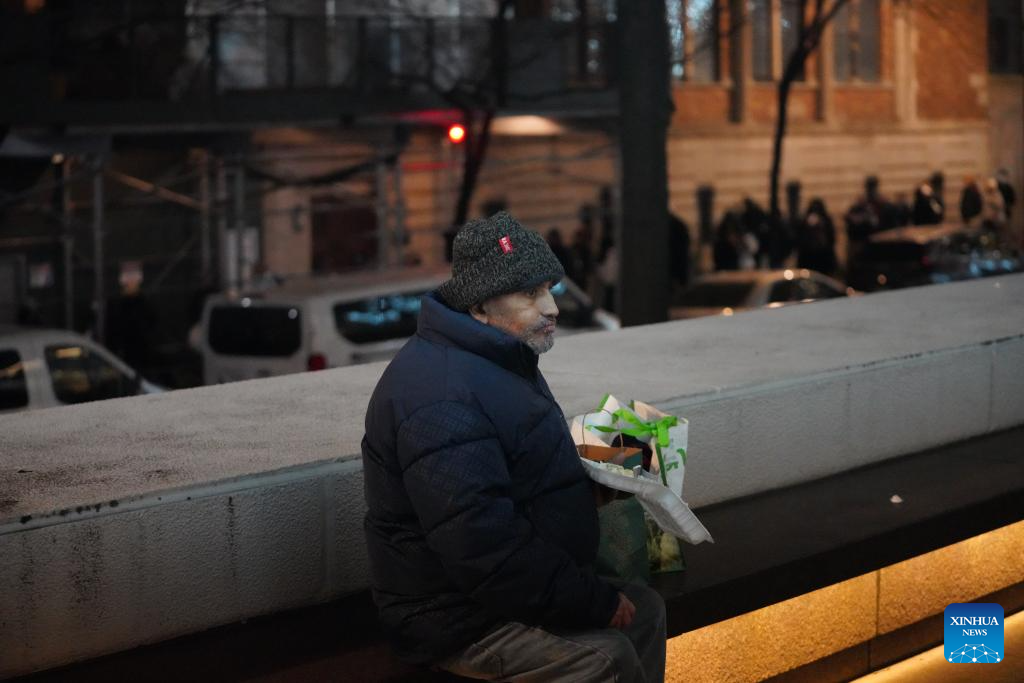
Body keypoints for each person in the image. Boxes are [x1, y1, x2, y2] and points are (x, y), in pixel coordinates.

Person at [362, 211, 667, 682]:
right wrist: (592, 600)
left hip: (500, 592)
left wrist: (598, 478)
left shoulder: (496, 358)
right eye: (530, 294)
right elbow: (480, 546)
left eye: (550, 289)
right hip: (457, 617)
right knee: (605, 657)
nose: (552, 308)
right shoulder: (441, 394)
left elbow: (516, 482)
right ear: (480, 307)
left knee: (646, 609)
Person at [796, 198, 838, 275]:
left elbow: (830, 238)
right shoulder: (805, 220)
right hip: (809, 256)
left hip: (821, 256)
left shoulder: (825, 220)